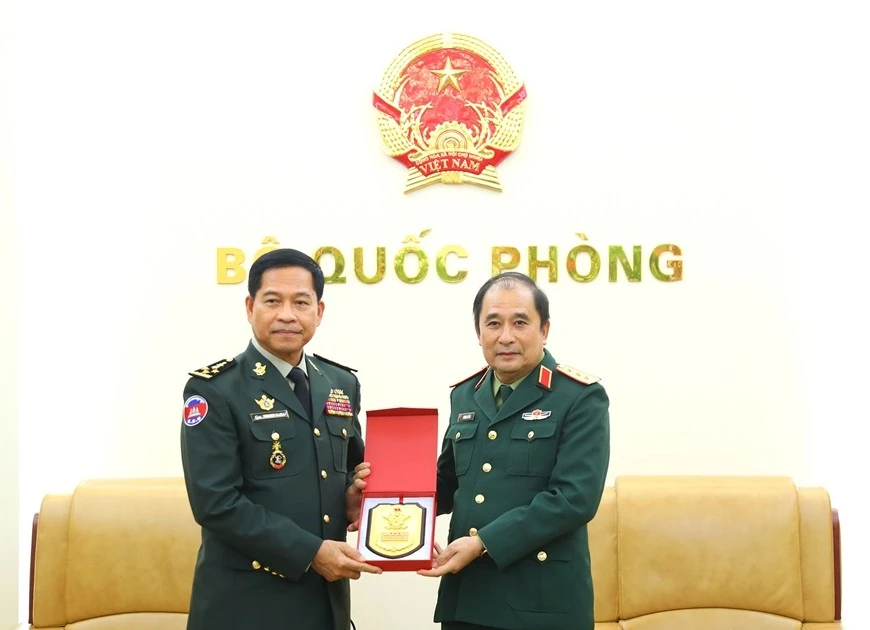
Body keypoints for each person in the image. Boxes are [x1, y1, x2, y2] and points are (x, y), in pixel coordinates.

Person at [180, 248, 381, 630]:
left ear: (318, 312)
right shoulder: (215, 389)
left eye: (301, 302)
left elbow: (350, 469)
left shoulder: (340, 383)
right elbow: (216, 503)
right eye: (273, 301)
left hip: (325, 603)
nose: (287, 314)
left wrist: (356, 499)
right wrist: (311, 552)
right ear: (250, 306)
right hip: (246, 606)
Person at [419, 271, 611, 630]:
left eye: (520, 322)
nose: (505, 336)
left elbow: (574, 499)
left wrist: (483, 543)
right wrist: (384, 502)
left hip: (540, 601)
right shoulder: (465, 394)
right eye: (493, 323)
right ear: (479, 333)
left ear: (544, 330)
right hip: (467, 598)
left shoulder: (580, 396)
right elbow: (448, 482)